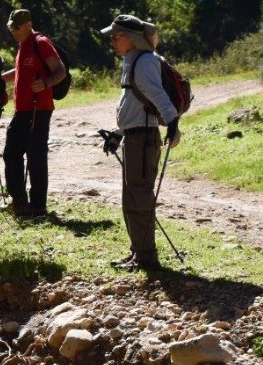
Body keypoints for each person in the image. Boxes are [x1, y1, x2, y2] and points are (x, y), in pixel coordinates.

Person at [101, 14, 181, 271]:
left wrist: (173, 123)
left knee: (139, 197)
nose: (112, 42)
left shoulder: (145, 61)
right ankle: (138, 252)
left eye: (116, 36)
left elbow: (157, 95)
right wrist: (118, 133)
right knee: (131, 198)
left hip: (144, 140)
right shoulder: (133, 60)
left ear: (132, 39)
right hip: (135, 137)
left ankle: (147, 257)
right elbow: (136, 106)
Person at [1, 9, 67, 218]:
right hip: (23, 109)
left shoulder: (41, 42)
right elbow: (20, 72)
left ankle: (36, 206)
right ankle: (21, 202)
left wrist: (46, 83)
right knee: (13, 154)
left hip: (38, 109)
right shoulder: (23, 45)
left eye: (17, 27)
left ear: (28, 24)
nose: (14, 31)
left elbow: (60, 71)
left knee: (34, 156)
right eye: (11, 28)